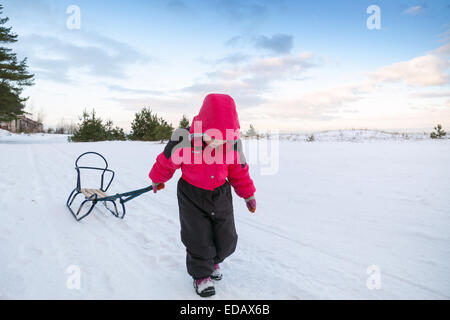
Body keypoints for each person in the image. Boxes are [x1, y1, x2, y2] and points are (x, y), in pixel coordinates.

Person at [149, 93, 256, 297]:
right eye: (214, 136)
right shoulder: (185, 140)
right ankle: (201, 275)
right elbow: (166, 162)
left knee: (227, 239)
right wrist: (158, 178)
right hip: (191, 194)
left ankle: (214, 261)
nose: (218, 142)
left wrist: (248, 194)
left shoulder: (232, 145)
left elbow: (239, 171)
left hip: (220, 194)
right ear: (203, 127)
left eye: (224, 138)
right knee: (198, 237)